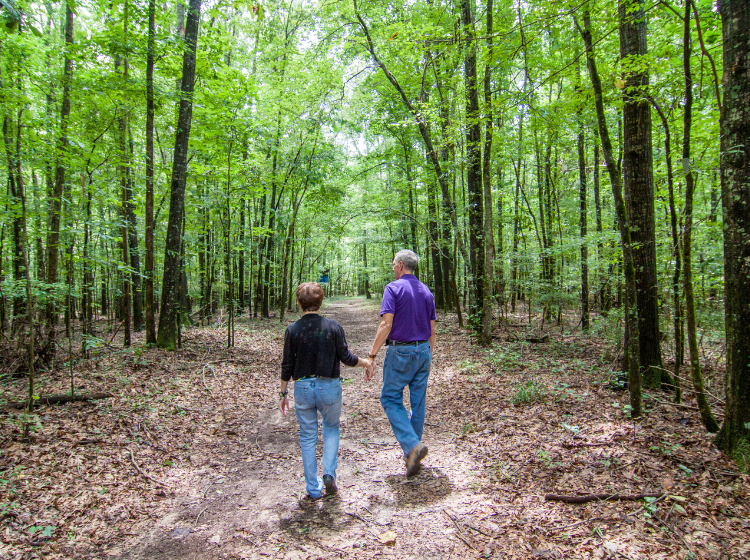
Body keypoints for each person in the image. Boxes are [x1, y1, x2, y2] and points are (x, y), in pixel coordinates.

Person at [280, 282, 373, 506]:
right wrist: (366, 363)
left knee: (308, 436)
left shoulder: (292, 330)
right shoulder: (332, 327)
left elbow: (287, 365)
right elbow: (347, 357)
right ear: (320, 301)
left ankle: (313, 489)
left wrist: (282, 393)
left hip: (302, 388)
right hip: (329, 387)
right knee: (331, 429)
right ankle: (329, 473)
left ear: (300, 303)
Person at [366, 250, 436, 477]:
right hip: (423, 350)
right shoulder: (426, 290)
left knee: (389, 397)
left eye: (394, 264)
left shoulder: (393, 288)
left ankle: (412, 446)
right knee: (418, 402)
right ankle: (412, 455)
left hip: (400, 352)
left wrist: (372, 355)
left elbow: (386, 325)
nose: (393, 267)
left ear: (401, 265)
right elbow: (432, 329)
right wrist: (428, 355)